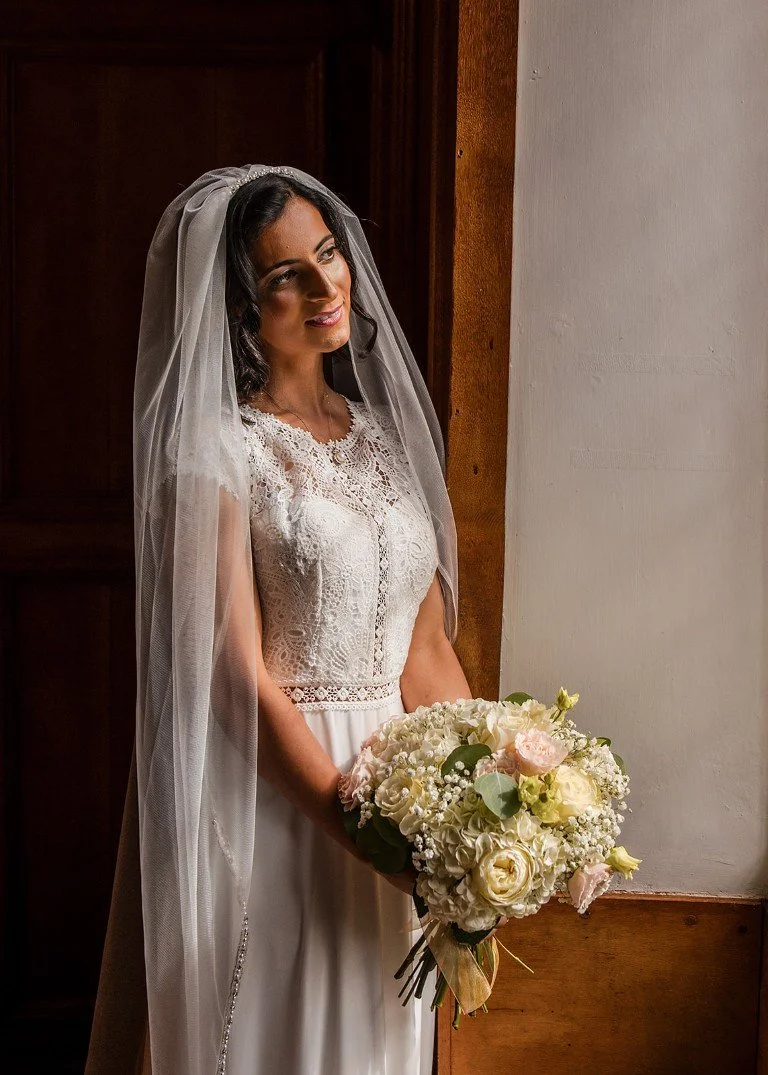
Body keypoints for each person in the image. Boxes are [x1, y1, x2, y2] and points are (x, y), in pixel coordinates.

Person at [86, 164, 471, 1075]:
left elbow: (425, 652)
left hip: (403, 803)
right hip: (280, 803)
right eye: (283, 276)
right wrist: (356, 821)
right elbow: (231, 671)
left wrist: (483, 800)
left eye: (327, 254)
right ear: (240, 310)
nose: (324, 284)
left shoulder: (382, 437)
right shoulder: (216, 448)